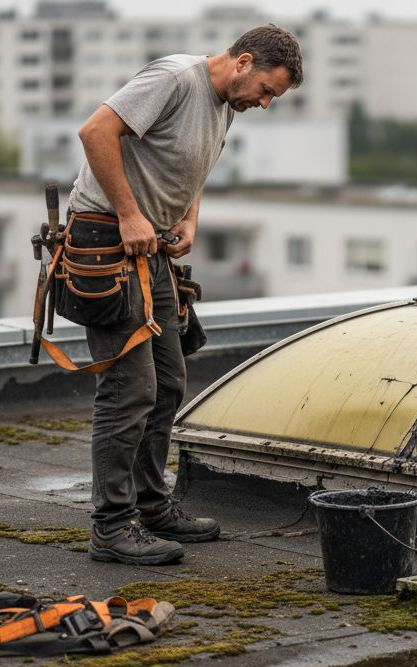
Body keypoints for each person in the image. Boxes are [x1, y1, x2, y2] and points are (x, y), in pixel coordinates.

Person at [68, 25, 303, 565]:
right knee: (129, 389)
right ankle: (111, 525)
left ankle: (151, 508)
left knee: (169, 381)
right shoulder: (175, 78)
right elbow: (95, 132)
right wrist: (129, 214)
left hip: (151, 251)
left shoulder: (225, 103)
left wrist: (188, 219)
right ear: (244, 61)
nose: (265, 104)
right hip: (107, 241)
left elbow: (192, 168)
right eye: (267, 90)